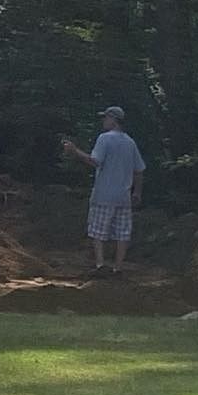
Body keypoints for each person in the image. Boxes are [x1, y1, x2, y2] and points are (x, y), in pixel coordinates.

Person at [62, 106, 146, 275]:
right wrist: (137, 192)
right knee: (122, 233)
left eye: (106, 118)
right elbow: (139, 170)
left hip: (104, 195)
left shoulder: (104, 138)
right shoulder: (130, 142)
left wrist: (74, 151)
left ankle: (100, 265)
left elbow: (95, 161)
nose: (103, 121)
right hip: (124, 196)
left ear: (114, 120)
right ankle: (118, 268)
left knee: (97, 231)